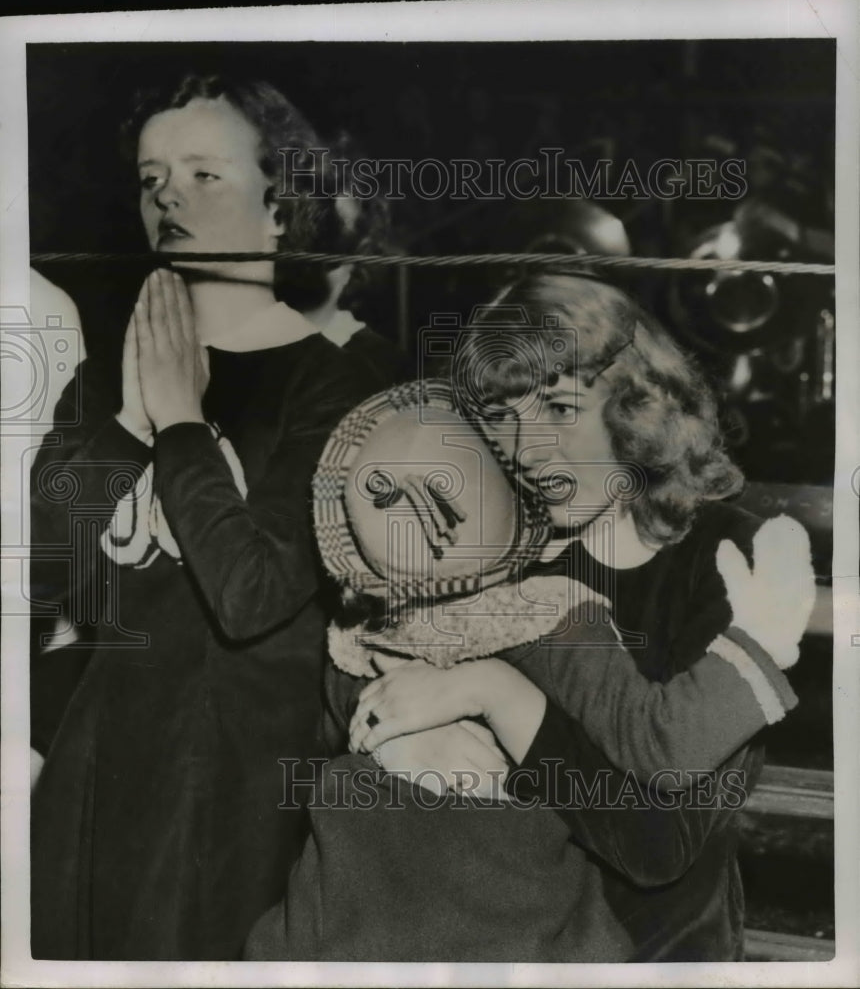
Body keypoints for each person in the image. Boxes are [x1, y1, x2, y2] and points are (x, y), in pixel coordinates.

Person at [245, 331, 813, 961]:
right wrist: (394, 722)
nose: (532, 446)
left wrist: (491, 691)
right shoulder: (463, 597)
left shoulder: (575, 600)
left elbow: (658, 778)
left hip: (524, 917)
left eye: (562, 411)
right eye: (502, 423)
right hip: (358, 902)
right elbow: (337, 692)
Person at [29, 73, 375, 960]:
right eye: (151, 179)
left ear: (279, 205)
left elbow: (254, 593)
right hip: (99, 773)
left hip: (243, 794)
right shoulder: (115, 371)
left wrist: (180, 423)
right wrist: (132, 420)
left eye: (203, 174)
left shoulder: (336, 387)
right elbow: (42, 559)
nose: (167, 197)